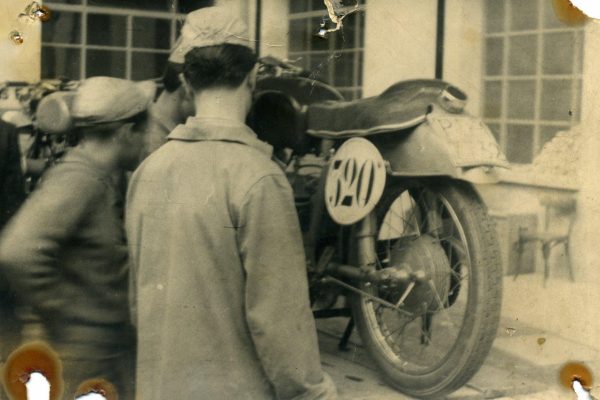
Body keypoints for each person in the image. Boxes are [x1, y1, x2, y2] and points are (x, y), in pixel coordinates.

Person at [125, 7, 338, 400]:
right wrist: (316, 393)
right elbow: (279, 323)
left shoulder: (148, 171)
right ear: (253, 75)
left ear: (186, 83)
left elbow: (140, 305)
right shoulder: (259, 178)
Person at [0, 77, 155, 399]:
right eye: (144, 130)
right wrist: (67, 308)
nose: (146, 140)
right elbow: (17, 251)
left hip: (102, 351)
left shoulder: (99, 177)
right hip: (84, 356)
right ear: (127, 131)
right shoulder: (78, 180)